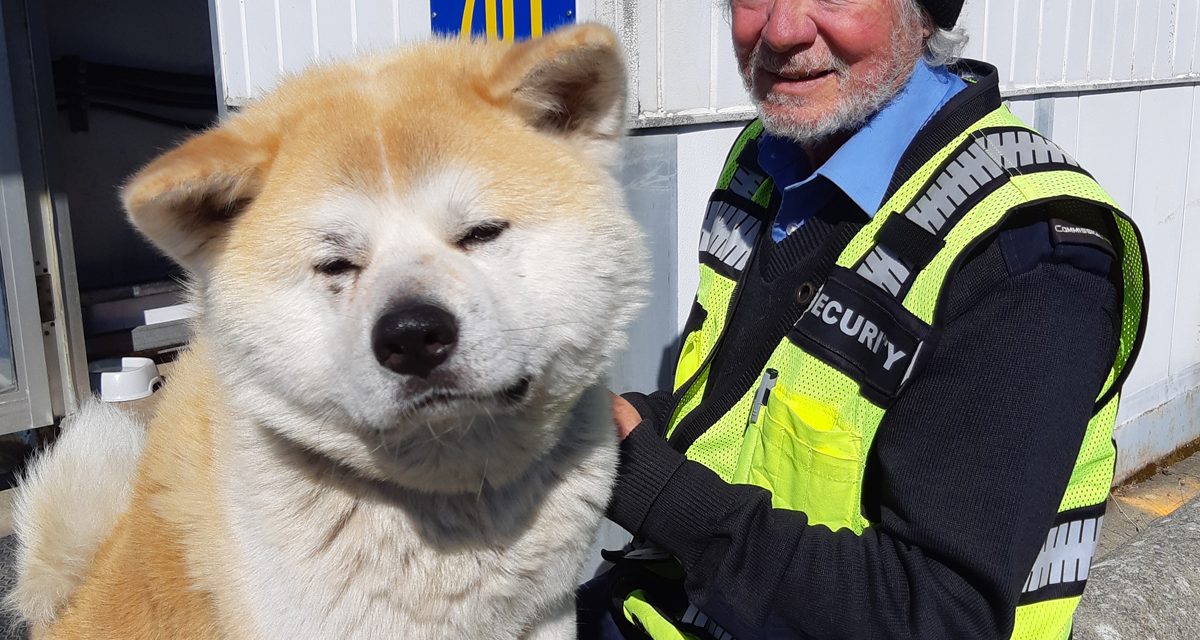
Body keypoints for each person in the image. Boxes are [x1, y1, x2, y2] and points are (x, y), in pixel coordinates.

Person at [578, 0, 1150, 638]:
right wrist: (590, 431)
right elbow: (731, 418)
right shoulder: (769, 159)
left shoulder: (1024, 257)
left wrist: (644, 480)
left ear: (924, 13)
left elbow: (938, 617)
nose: (782, 30)